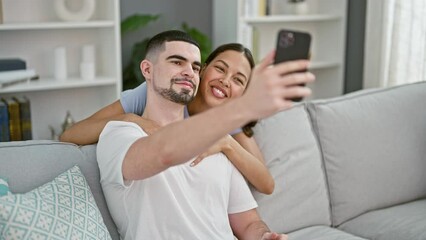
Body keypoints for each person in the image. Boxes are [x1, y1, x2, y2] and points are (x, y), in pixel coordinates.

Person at [96, 30, 314, 239]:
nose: (189, 72)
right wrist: (244, 108)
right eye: (177, 62)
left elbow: (249, 223)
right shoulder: (119, 134)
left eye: (195, 66)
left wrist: (264, 236)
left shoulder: (219, 142)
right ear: (147, 70)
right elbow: (165, 153)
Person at [60, 43, 275, 194]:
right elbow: (70, 135)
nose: (225, 81)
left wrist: (227, 143)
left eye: (238, 80)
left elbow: (266, 184)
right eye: (220, 68)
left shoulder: (231, 119)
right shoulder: (158, 93)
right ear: (203, 69)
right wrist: (131, 119)